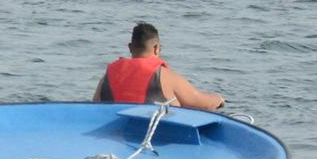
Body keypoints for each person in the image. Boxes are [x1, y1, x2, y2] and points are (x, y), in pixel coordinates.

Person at [93, 22, 225, 111]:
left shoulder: (108, 75)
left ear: (130, 47)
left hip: (116, 132)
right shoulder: (163, 76)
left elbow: (94, 104)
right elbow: (199, 101)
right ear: (156, 48)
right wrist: (218, 100)